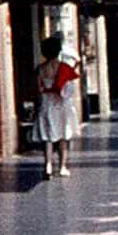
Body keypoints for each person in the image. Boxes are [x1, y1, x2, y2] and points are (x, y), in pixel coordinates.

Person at [33, 36, 80, 179]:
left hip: (47, 103)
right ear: (59, 50)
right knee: (63, 136)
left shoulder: (40, 68)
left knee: (48, 136)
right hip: (61, 105)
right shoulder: (64, 67)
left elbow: (38, 88)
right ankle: (62, 167)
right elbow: (69, 89)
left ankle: (47, 165)